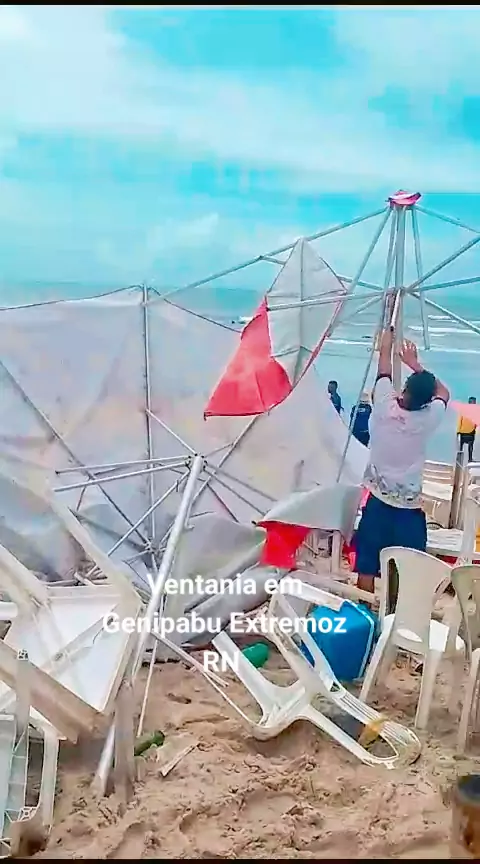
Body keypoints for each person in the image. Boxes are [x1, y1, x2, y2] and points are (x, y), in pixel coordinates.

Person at [354, 327, 450, 593]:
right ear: (427, 402)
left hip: (378, 501)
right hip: (408, 508)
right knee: (406, 567)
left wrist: (386, 345)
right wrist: (415, 364)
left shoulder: (384, 405)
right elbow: (444, 392)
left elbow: (383, 368)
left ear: (404, 389)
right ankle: (396, 608)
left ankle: (364, 605)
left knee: (367, 563)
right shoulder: (428, 419)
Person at [457, 396, 477, 463]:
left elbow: (459, 420)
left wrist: (458, 431)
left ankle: (459, 460)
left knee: (460, 447)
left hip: (462, 432)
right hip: (470, 432)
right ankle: (470, 459)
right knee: (470, 446)